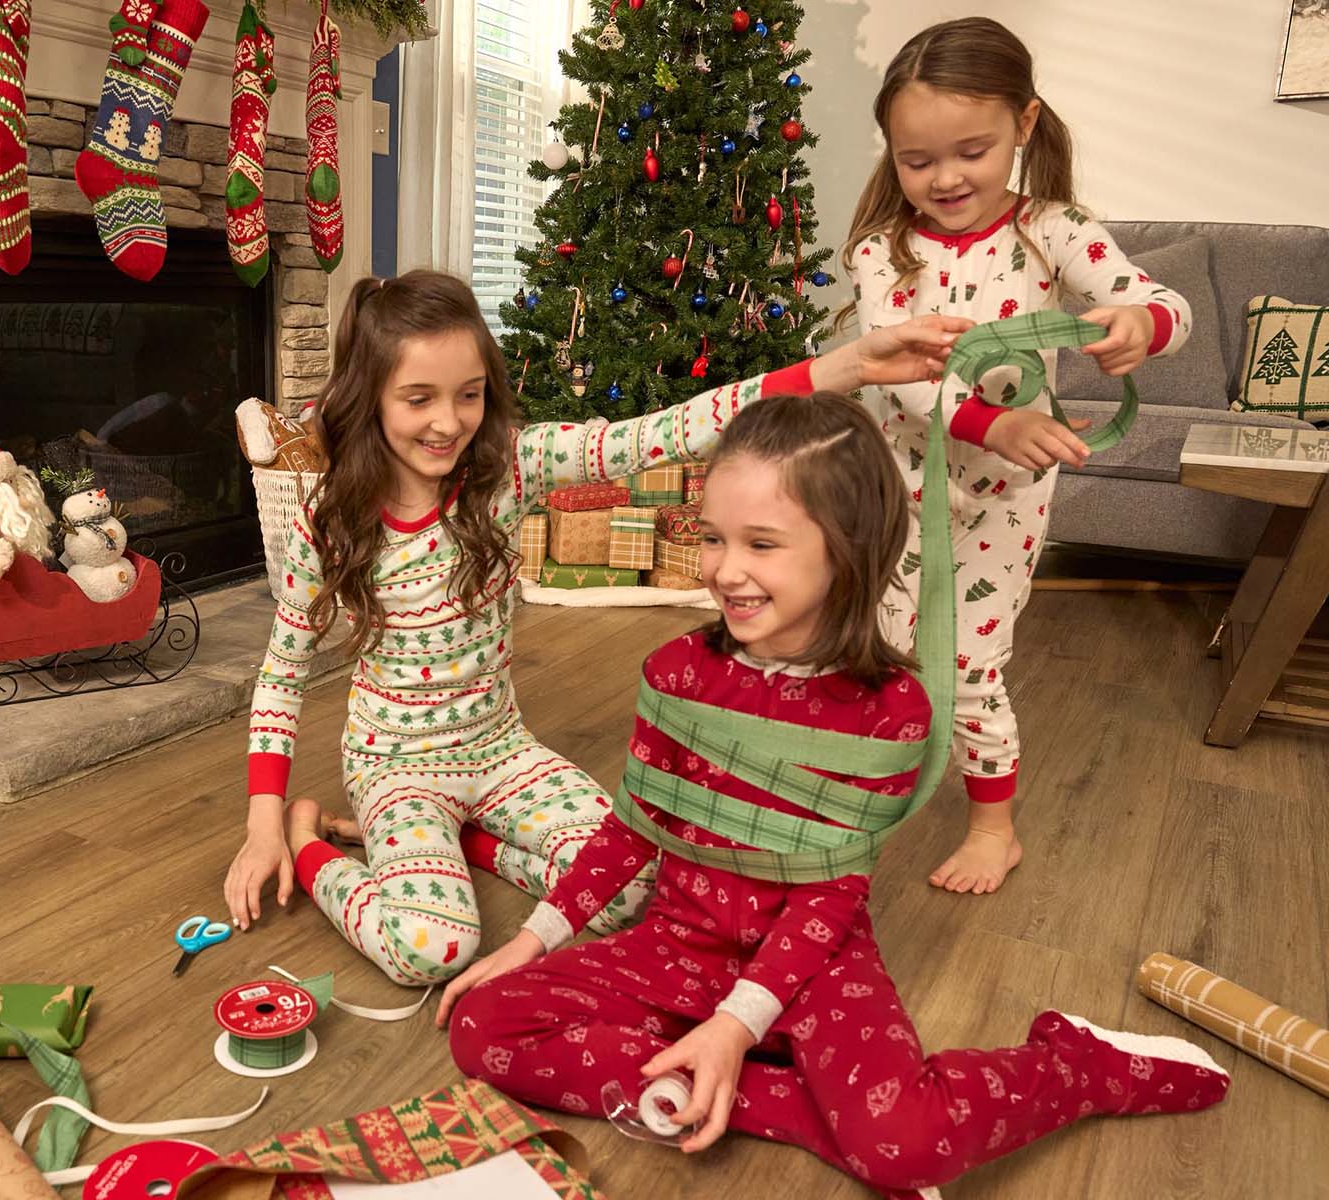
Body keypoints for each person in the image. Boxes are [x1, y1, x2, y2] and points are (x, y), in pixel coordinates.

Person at [439, 390, 1228, 1198]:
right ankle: (776, 1086)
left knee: (905, 1148)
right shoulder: (677, 674)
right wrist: (531, 941)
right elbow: (631, 833)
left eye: (762, 544)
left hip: (814, 965)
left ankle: (1075, 1065)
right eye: (712, 537)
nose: (725, 568)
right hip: (679, 944)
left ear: (846, 551)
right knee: (483, 1026)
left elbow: (828, 897)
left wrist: (739, 1020)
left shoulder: (891, 712)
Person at [222, 267, 969, 985]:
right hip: (396, 767)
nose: (449, 421)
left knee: (635, 890)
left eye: (470, 394)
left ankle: (471, 843)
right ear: (369, 397)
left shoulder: (509, 467)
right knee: (431, 947)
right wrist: (265, 829)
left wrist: (847, 365)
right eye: (419, 398)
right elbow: (282, 674)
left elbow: (672, 430)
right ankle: (311, 838)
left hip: (499, 750)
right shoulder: (332, 524)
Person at [842, 17, 1192, 894]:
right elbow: (903, 373)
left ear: (1024, 126)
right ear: (891, 148)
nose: (946, 178)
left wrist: (1136, 325)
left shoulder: (1054, 231)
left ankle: (994, 827)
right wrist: (987, 425)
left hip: (1005, 499)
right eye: (918, 160)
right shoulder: (882, 252)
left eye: (972, 150)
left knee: (967, 664)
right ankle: (870, 789)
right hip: (897, 491)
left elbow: (1161, 303)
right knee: (880, 646)